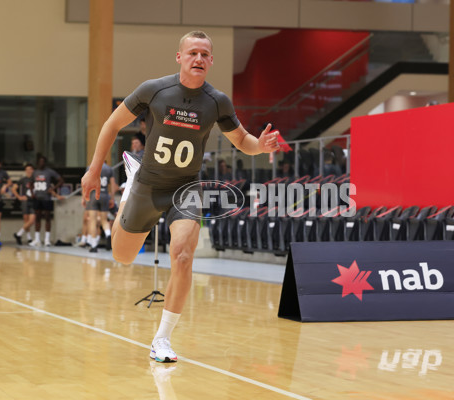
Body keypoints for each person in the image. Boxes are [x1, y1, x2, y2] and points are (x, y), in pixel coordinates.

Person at [81, 30, 279, 363]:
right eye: (193, 53)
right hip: (148, 185)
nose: (198, 59)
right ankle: (129, 189)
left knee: (184, 256)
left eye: (205, 54)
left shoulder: (217, 101)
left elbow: (243, 140)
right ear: (180, 57)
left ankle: (162, 339)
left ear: (211, 61)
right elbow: (111, 125)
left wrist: (262, 145)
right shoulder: (153, 90)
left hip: (186, 187)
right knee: (123, 256)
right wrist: (94, 169)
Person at [82, 161, 116, 252]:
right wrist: (112, 198)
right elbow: (113, 185)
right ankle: (108, 235)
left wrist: (84, 197)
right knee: (104, 220)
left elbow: (85, 183)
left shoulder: (90, 167)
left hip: (93, 195)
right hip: (105, 195)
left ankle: (94, 245)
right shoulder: (109, 169)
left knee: (92, 220)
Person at [30, 156, 64, 247]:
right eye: (40, 161)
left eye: (43, 161)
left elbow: (60, 180)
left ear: (45, 163)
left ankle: (47, 240)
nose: (41, 163)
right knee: (37, 218)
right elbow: (30, 183)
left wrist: (53, 188)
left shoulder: (49, 172)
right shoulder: (35, 172)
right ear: (37, 163)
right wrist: (32, 192)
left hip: (47, 198)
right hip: (37, 198)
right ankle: (37, 239)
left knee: (47, 217)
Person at [12, 163, 35, 245]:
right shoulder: (23, 179)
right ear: (25, 171)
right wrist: (19, 197)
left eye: (30, 169)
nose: (29, 171)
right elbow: (14, 188)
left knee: (32, 220)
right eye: (27, 170)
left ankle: (19, 234)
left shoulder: (35, 179)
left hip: (33, 201)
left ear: (33, 170)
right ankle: (29, 239)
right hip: (25, 202)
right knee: (26, 221)